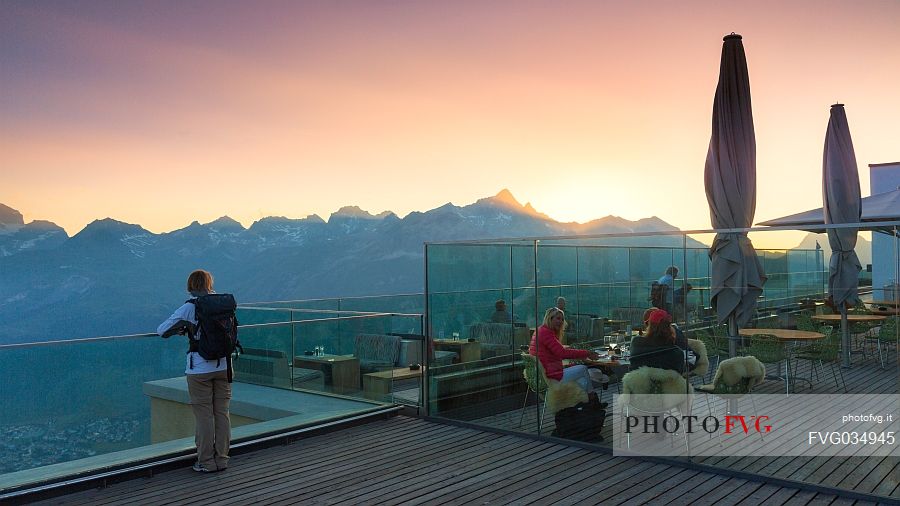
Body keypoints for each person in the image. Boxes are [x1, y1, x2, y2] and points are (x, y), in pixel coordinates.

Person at [158, 269, 231, 473]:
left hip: (199, 368)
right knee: (222, 413)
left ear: (191, 286)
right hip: (224, 365)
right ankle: (222, 459)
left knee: (204, 416)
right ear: (209, 283)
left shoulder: (190, 307)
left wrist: (182, 329)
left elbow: (161, 330)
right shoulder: (223, 303)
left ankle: (206, 461)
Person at [529, 307, 605, 402]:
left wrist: (563, 347)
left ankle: (581, 409)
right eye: (558, 318)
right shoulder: (546, 333)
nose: (560, 322)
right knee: (583, 368)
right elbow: (562, 353)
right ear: (550, 318)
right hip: (551, 376)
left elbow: (549, 350)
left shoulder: (540, 330)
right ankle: (592, 397)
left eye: (562, 319)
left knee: (583, 382)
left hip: (545, 375)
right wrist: (587, 353)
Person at [629, 308, 686, 374]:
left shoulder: (635, 343)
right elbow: (680, 374)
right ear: (669, 327)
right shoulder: (677, 353)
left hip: (639, 383)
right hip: (667, 384)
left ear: (649, 325)